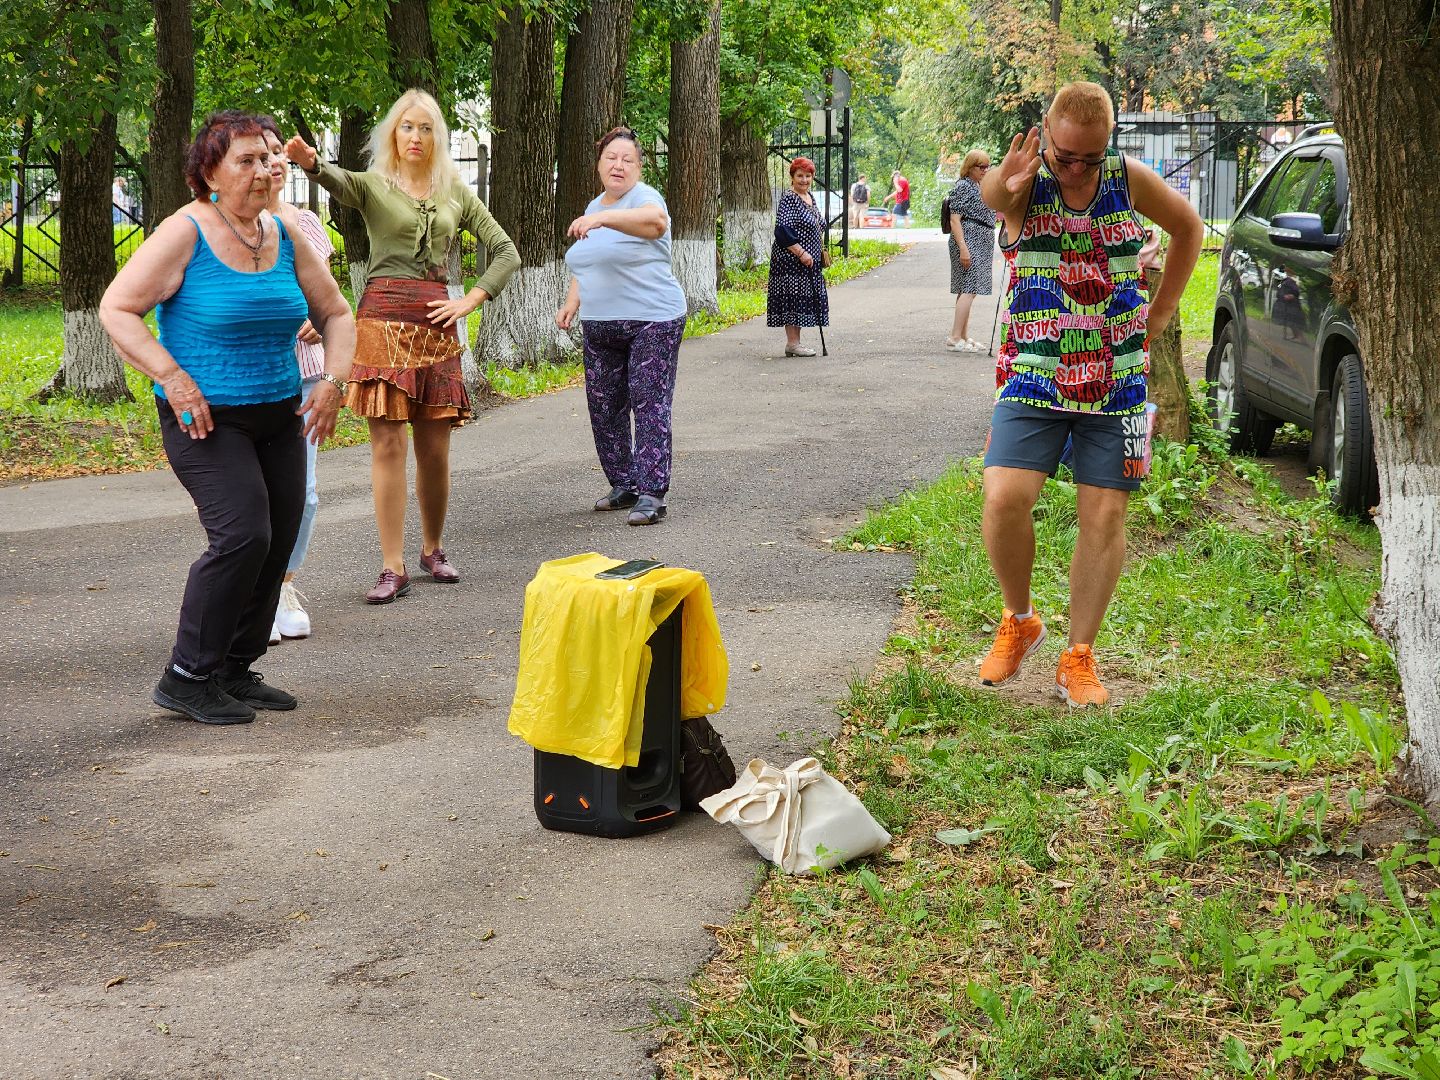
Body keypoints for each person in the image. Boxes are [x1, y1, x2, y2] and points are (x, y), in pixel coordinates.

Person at [97, 110, 356, 725]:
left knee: (279, 536)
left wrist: (333, 382)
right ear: (209, 172)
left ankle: (236, 668)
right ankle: (187, 675)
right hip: (205, 419)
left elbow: (337, 314)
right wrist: (172, 378)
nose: (265, 169)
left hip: (279, 412)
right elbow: (117, 308)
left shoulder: (286, 234)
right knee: (243, 534)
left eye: (270, 158)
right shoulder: (184, 232)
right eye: (247, 159)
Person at [976, 81, 1202, 706]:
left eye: (1089, 158)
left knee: (1104, 515)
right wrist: (1007, 180)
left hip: (1119, 385)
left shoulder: (1127, 181)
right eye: (1063, 154)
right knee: (1003, 499)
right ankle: (1019, 620)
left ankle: (1078, 656)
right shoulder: (1028, 181)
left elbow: (1189, 227)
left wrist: (1161, 312)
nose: (1074, 169)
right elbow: (995, 195)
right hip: (1033, 375)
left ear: (1108, 146)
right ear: (1045, 135)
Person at [285, 89, 520, 603]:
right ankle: (391, 566)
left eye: (427, 128)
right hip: (382, 321)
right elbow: (340, 182)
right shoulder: (374, 185)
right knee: (388, 443)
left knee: (434, 449)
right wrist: (311, 163)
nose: (416, 136)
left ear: (438, 137)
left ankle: (432, 548)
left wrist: (471, 299)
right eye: (407, 127)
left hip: (436, 323)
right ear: (394, 133)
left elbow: (506, 250)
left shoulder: (455, 191)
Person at [555, 127, 688, 527]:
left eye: (627, 159)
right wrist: (572, 301)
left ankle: (652, 493)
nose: (618, 165)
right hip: (601, 324)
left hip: (653, 319)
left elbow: (655, 223)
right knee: (604, 406)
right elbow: (589, 260)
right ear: (599, 163)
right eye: (611, 157)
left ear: (639, 167)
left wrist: (603, 218)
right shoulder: (594, 205)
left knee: (648, 401)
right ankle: (625, 483)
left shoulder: (644, 199)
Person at [258, 118, 333, 642]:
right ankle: (254, 595)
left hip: (306, 377)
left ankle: (282, 584)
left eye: (278, 155)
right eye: (262, 156)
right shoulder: (223, 228)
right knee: (253, 495)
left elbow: (325, 294)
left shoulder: (305, 223)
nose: (275, 164)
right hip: (255, 378)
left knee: (302, 495)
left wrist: (317, 317)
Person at [766, 157, 829, 358]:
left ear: (812, 177)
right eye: (799, 176)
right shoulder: (789, 198)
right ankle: (793, 343)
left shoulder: (810, 197)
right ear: (792, 177)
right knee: (792, 299)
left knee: (802, 299)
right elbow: (782, 230)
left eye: (807, 176)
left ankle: (795, 343)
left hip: (809, 261)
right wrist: (801, 253)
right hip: (790, 260)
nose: (804, 180)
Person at [945, 149, 996, 352]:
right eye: (981, 166)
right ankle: (955, 337)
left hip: (980, 240)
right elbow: (954, 219)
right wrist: (964, 248)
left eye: (987, 166)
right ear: (970, 167)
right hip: (968, 240)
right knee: (969, 289)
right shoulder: (964, 186)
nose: (985, 170)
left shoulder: (977, 185)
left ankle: (963, 336)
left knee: (967, 289)